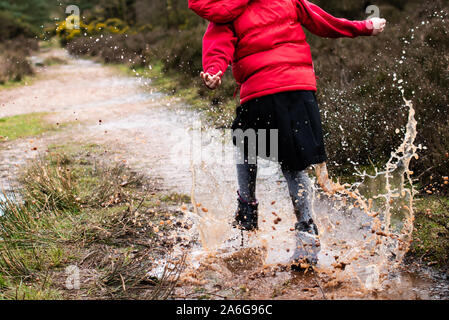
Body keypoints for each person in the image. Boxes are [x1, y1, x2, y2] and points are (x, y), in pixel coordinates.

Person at [188, 0, 386, 265]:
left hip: (260, 92)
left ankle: (247, 209)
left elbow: (218, 45)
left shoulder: (228, 7)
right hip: (298, 88)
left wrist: (214, 72)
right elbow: (324, 22)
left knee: (245, 142)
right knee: (294, 163)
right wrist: (363, 27)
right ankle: (306, 232)